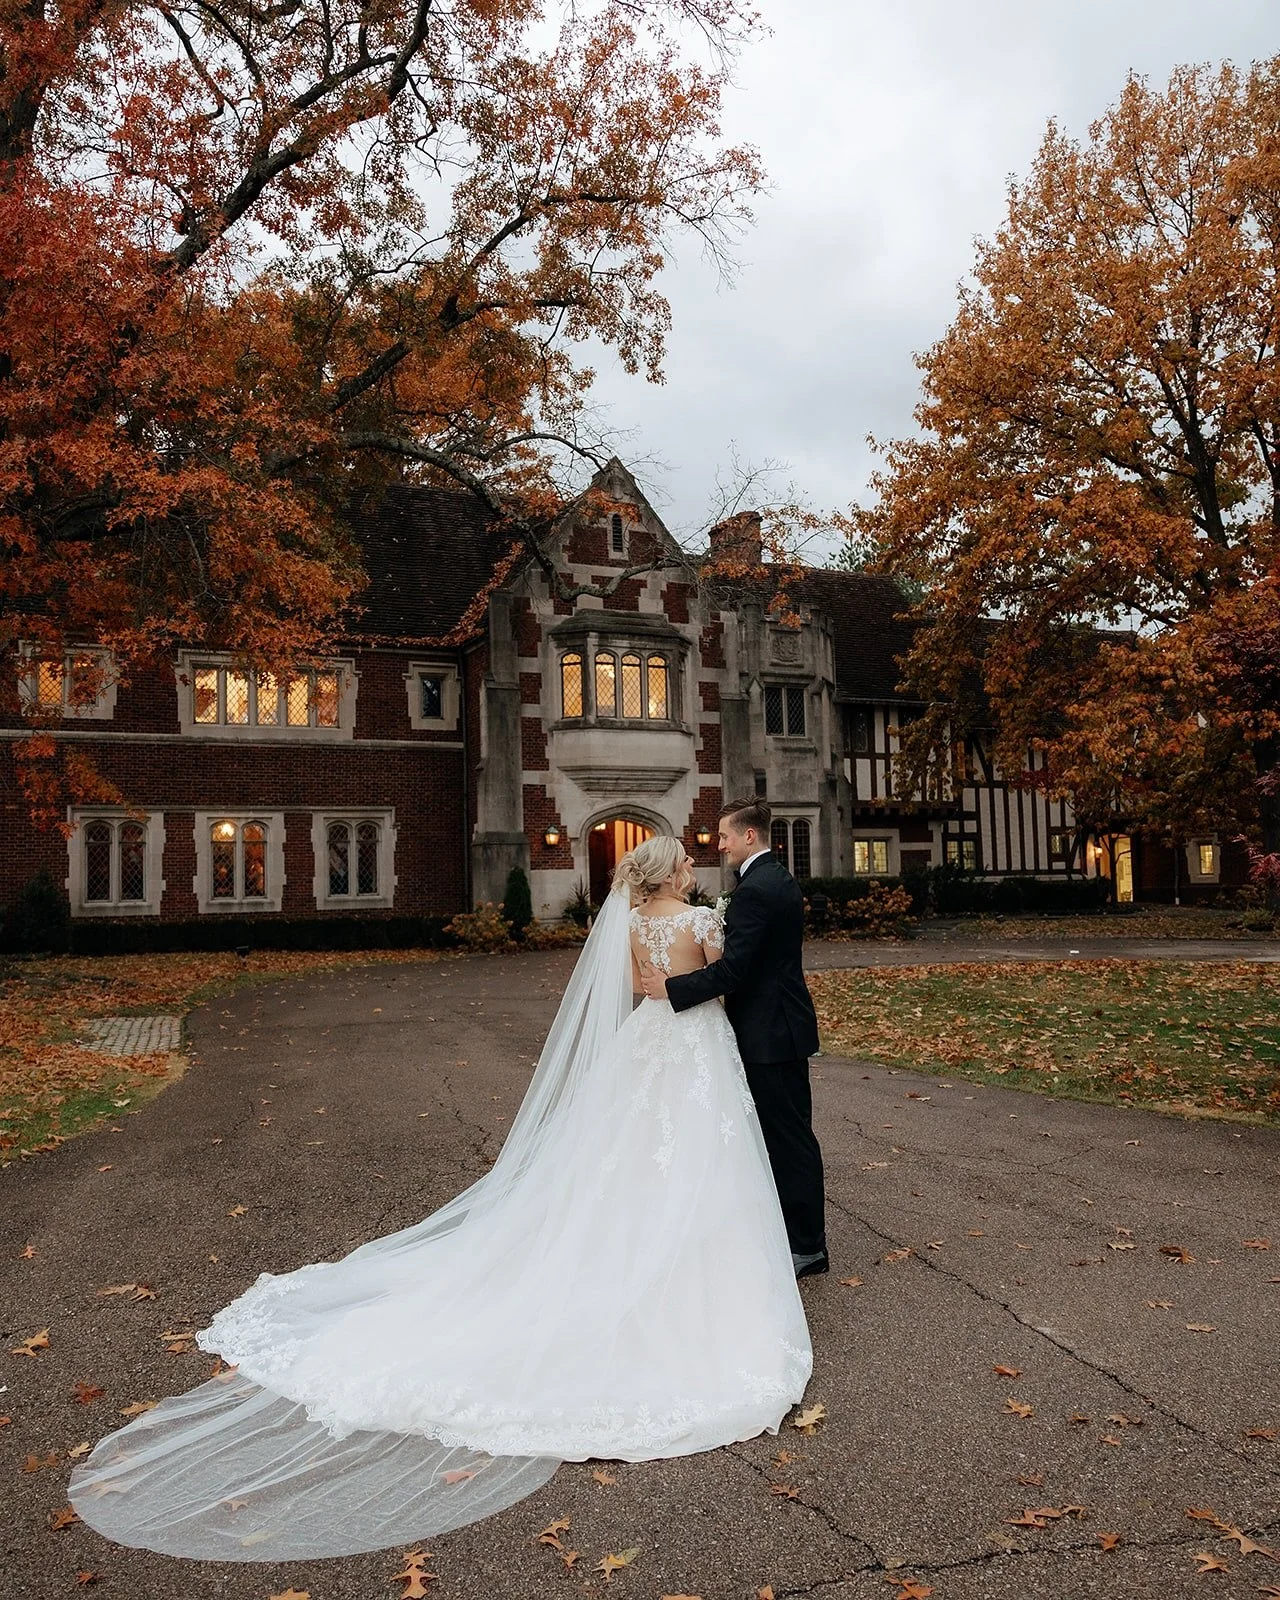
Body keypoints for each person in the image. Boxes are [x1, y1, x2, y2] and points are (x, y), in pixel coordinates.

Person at [69, 836, 812, 1562]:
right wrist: (701, 973)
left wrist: (666, 987)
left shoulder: (632, 923)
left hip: (650, 1042)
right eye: (685, 859)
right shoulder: (701, 919)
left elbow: (633, 991)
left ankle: (640, 1248)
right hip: (697, 1045)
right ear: (671, 876)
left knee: (627, 1159)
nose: (693, 864)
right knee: (700, 1157)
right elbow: (724, 978)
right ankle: (695, 1268)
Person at [641, 799, 827, 1277]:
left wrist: (672, 988)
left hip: (773, 1032)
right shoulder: (765, 880)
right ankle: (790, 1234)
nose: (717, 844)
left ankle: (807, 1247)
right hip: (771, 1027)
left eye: (724, 836)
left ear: (749, 836)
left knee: (788, 1139)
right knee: (778, 1135)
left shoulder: (759, 887)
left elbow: (733, 970)